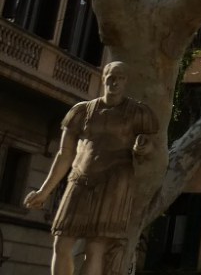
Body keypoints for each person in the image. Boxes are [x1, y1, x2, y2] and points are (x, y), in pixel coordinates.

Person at [24, 61, 158, 275]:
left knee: (95, 248)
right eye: (111, 76)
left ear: (126, 82)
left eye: (120, 77)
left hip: (114, 181)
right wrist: (44, 191)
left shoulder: (137, 113)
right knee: (61, 243)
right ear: (103, 78)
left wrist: (144, 147)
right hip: (79, 178)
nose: (114, 82)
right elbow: (64, 153)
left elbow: (151, 148)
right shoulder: (81, 111)